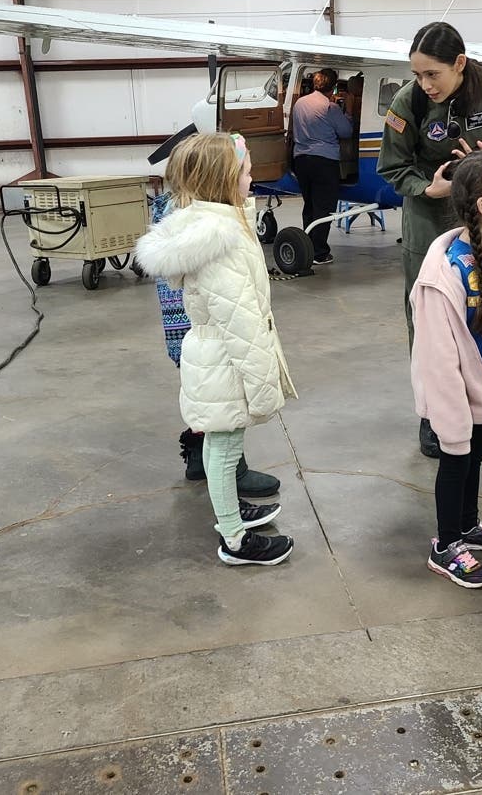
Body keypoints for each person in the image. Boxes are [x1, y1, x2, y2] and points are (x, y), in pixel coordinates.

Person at [135, 133, 298, 566]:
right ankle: (235, 540)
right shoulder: (220, 244)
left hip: (214, 357)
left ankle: (229, 512)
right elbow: (241, 323)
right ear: (223, 180)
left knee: (220, 444)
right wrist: (264, 387)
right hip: (227, 359)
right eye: (245, 172)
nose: (252, 177)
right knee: (225, 449)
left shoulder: (215, 227)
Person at [377, 22, 482, 457]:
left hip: (480, 211)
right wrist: (432, 188)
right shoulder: (408, 103)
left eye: (432, 74)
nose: (424, 84)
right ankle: (433, 417)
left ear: (460, 64)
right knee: (431, 319)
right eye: (417, 74)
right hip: (430, 215)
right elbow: (392, 167)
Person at [409, 151, 482, 588]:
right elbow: (438, 358)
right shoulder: (444, 274)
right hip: (456, 391)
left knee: (476, 455)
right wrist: (450, 415)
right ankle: (445, 545)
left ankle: (469, 525)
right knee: (456, 460)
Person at [149, 188, 281, 499]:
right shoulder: (202, 225)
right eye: (244, 171)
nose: (250, 182)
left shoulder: (190, 214)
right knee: (216, 395)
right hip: (206, 329)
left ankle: (208, 460)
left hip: (198, 329)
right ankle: (231, 510)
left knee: (209, 392)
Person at [291, 68, 353, 265]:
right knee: (323, 207)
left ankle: (308, 245)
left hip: (300, 159)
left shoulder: (300, 103)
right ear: (333, 86)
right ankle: (319, 252)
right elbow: (346, 132)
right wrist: (349, 111)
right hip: (324, 160)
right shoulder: (331, 108)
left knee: (309, 204)